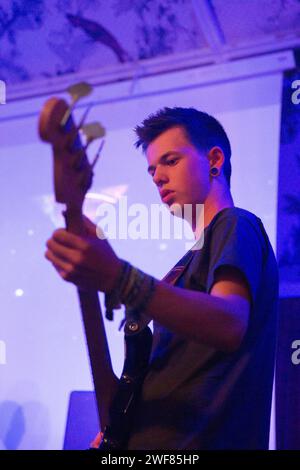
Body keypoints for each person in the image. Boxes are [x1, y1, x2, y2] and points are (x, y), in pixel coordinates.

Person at [45, 107, 278, 450]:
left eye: (170, 161)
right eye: (152, 169)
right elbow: (120, 399)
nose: (157, 177)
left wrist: (119, 278)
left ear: (215, 159)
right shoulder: (182, 271)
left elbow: (229, 323)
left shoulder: (235, 224)